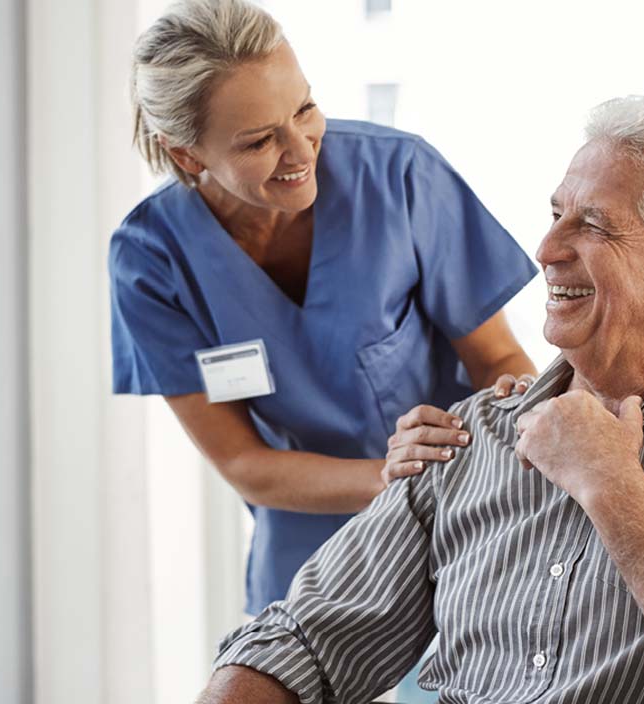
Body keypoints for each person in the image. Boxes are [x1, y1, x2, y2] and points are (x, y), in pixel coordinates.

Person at [200, 94, 644, 704]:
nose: (544, 250)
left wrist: (611, 482)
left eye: (594, 226)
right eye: (555, 215)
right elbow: (306, 641)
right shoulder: (472, 432)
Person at [109, 0, 538, 623]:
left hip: (463, 499)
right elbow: (244, 463)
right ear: (187, 156)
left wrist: (524, 407)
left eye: (305, 108)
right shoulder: (151, 258)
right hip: (307, 535)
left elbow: (496, 357)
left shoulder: (398, 176)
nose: (300, 149)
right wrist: (388, 476)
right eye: (258, 140)